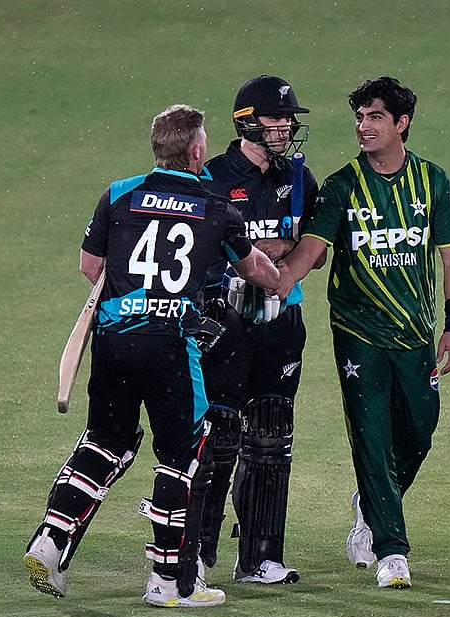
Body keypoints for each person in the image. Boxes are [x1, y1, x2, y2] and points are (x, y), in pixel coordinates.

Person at [23, 104, 281, 608]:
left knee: (106, 442)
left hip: (114, 340)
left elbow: (90, 265)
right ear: (198, 150)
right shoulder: (216, 208)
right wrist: (278, 278)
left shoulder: (118, 195)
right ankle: (169, 582)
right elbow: (255, 270)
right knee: (182, 456)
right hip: (171, 347)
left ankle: (49, 544)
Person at [273, 76, 450, 589]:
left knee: (421, 430)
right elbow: (308, 256)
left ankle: (371, 502)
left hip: (414, 332)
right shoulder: (342, 186)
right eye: (359, 117)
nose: (363, 127)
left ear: (401, 124)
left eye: (375, 117)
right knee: (371, 436)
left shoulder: (433, 182)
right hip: (356, 330)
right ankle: (391, 551)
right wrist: (264, 274)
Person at [195, 74, 322, 584]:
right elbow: (203, 254)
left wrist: (262, 255)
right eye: (277, 118)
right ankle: (195, 555)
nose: (287, 126)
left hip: (283, 322)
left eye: (290, 118)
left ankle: (260, 556)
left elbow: (315, 250)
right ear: (247, 122)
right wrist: (267, 256)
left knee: (271, 436)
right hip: (225, 321)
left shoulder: (301, 180)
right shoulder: (212, 178)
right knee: (218, 437)